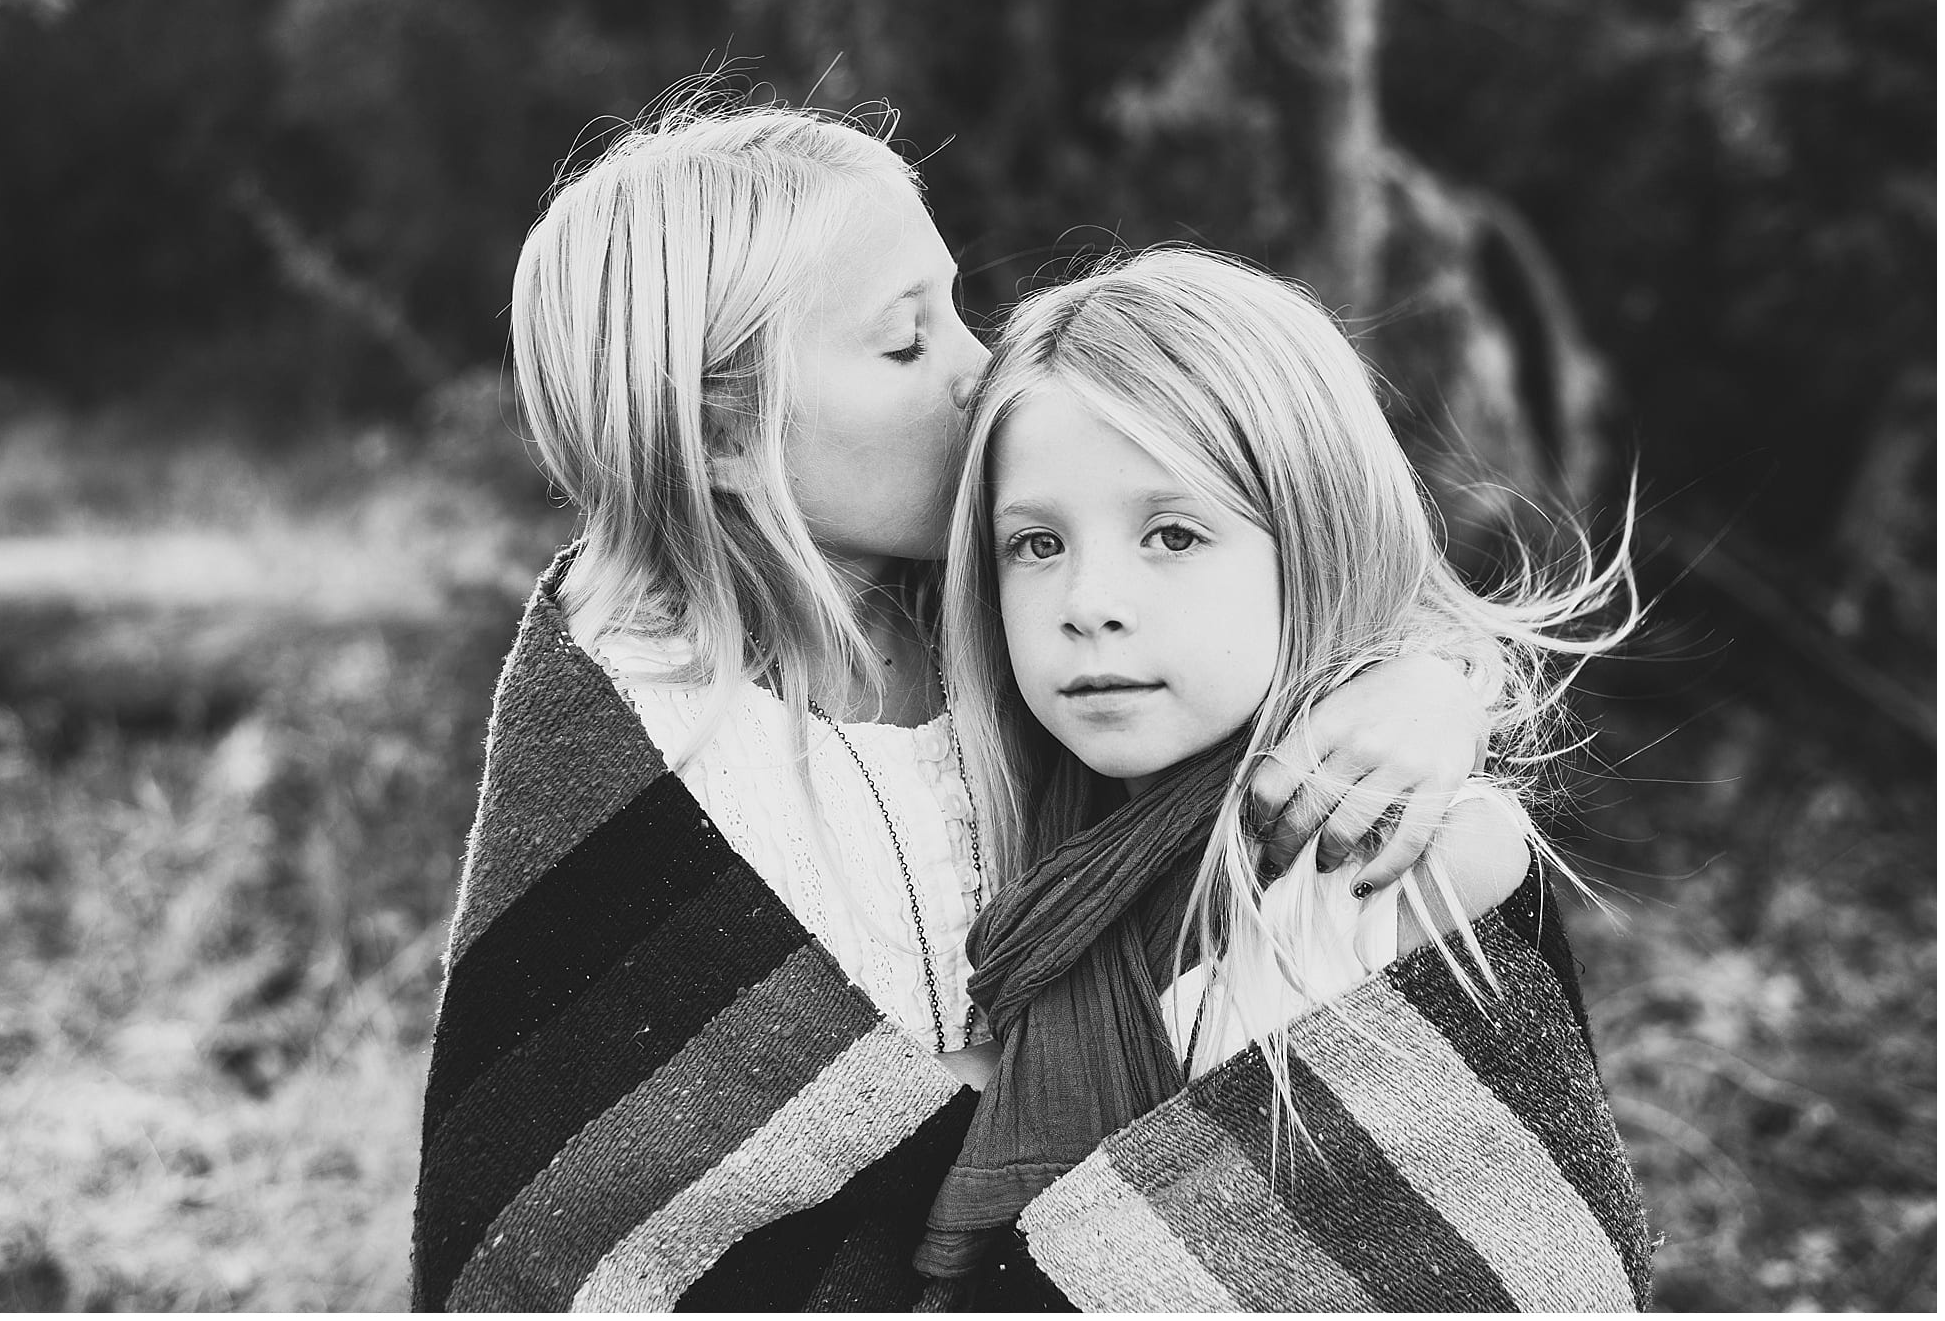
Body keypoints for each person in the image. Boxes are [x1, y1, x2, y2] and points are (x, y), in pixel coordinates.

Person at [411, 101, 1499, 1312]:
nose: (979, 368)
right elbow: (582, 1213)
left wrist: (1427, 683)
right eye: (904, 342)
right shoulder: (634, 724)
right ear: (723, 427)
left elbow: (1293, 594)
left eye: (956, 309)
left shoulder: (1010, 617)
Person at [921, 246, 1652, 1308]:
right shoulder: (1038, 856)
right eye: (1034, 543)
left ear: (1316, 541)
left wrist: (1433, 674)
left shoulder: (1402, 858)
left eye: (1171, 533)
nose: (1087, 599)